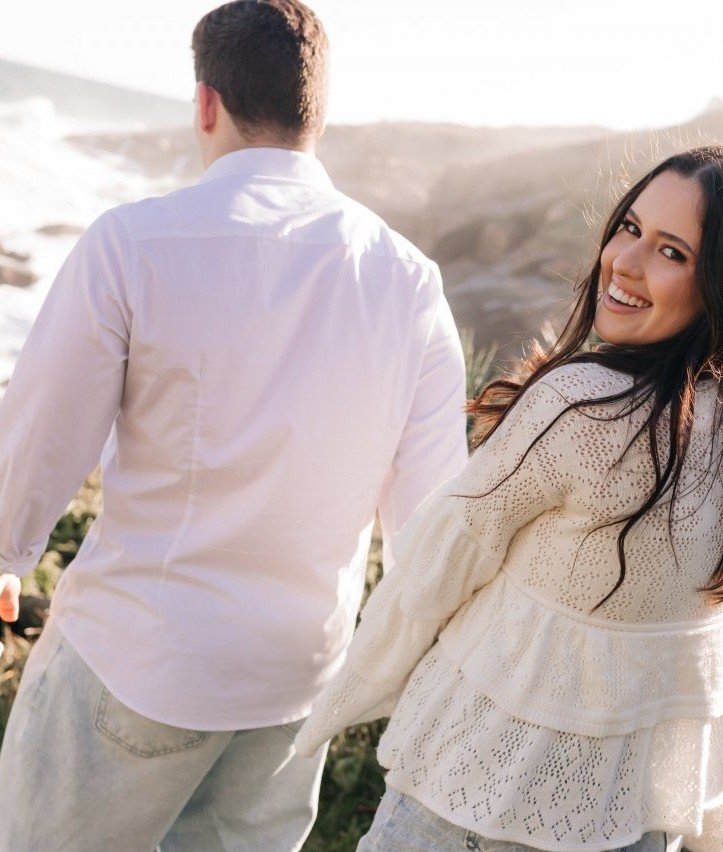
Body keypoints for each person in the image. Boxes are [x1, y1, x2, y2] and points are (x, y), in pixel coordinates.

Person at [0, 1, 468, 849]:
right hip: (296, 682)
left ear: (206, 102)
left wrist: (5, 552)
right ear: (314, 114)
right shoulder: (410, 280)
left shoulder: (134, 243)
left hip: (141, 656)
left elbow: (39, 434)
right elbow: (432, 517)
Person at [294, 144, 723, 851]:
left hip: (472, 794)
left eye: (672, 252)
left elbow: (437, 571)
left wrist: (340, 704)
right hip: (634, 818)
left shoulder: (581, 407)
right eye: (630, 228)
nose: (624, 262)